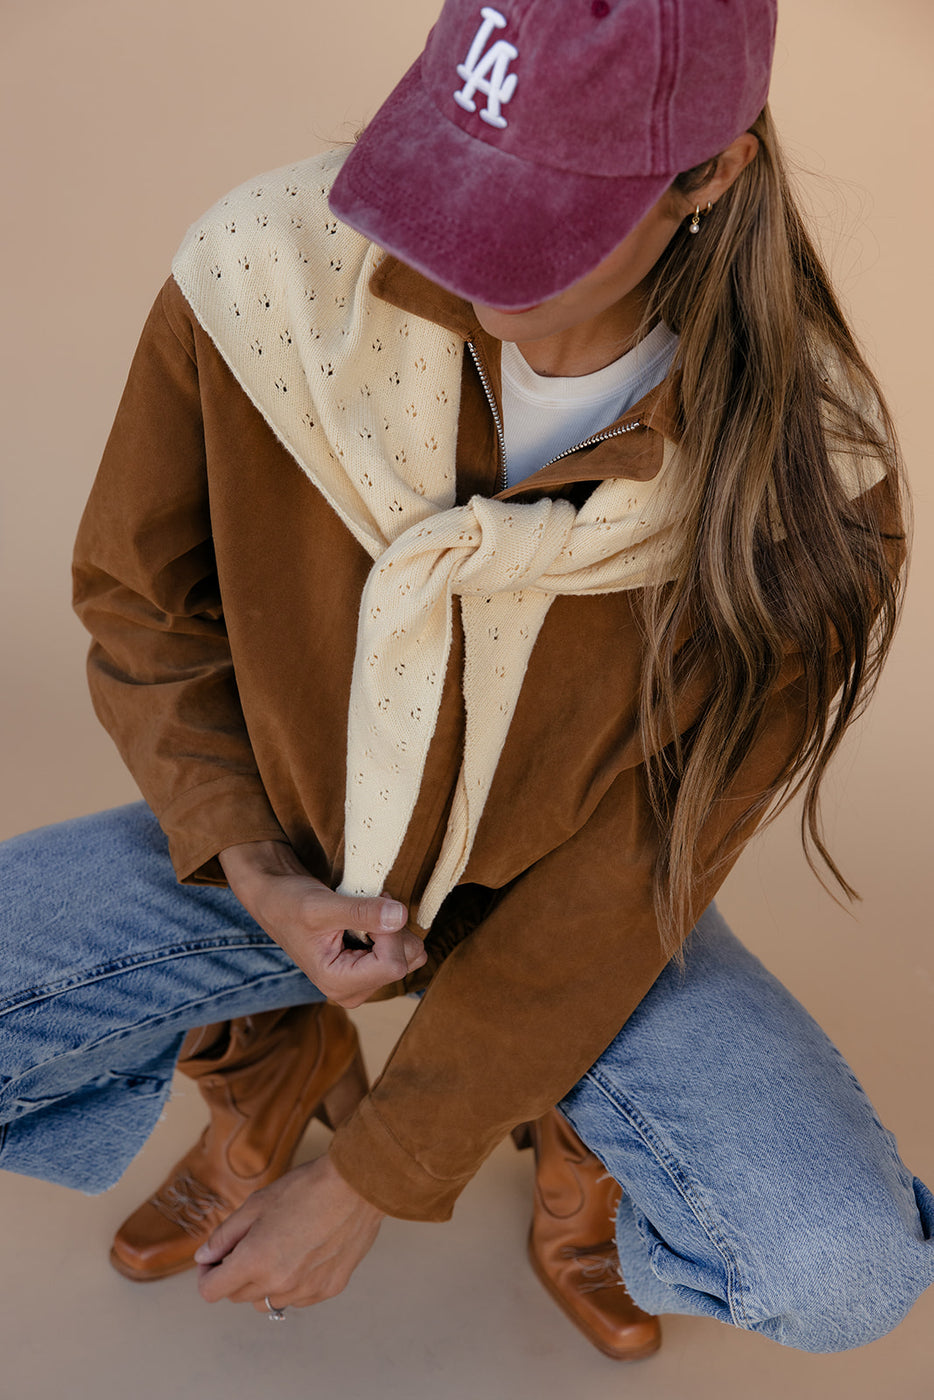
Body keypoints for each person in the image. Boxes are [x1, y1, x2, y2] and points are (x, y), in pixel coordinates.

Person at [0, 0, 931, 1361]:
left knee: (838, 1267)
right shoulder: (265, 277)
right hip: (286, 849)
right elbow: (142, 606)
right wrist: (258, 870)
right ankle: (268, 1060)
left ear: (711, 172)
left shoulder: (814, 478)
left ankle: (569, 1125)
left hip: (573, 905)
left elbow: (639, 857)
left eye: (540, 210)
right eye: (449, 165)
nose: (460, 243)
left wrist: (376, 1174)